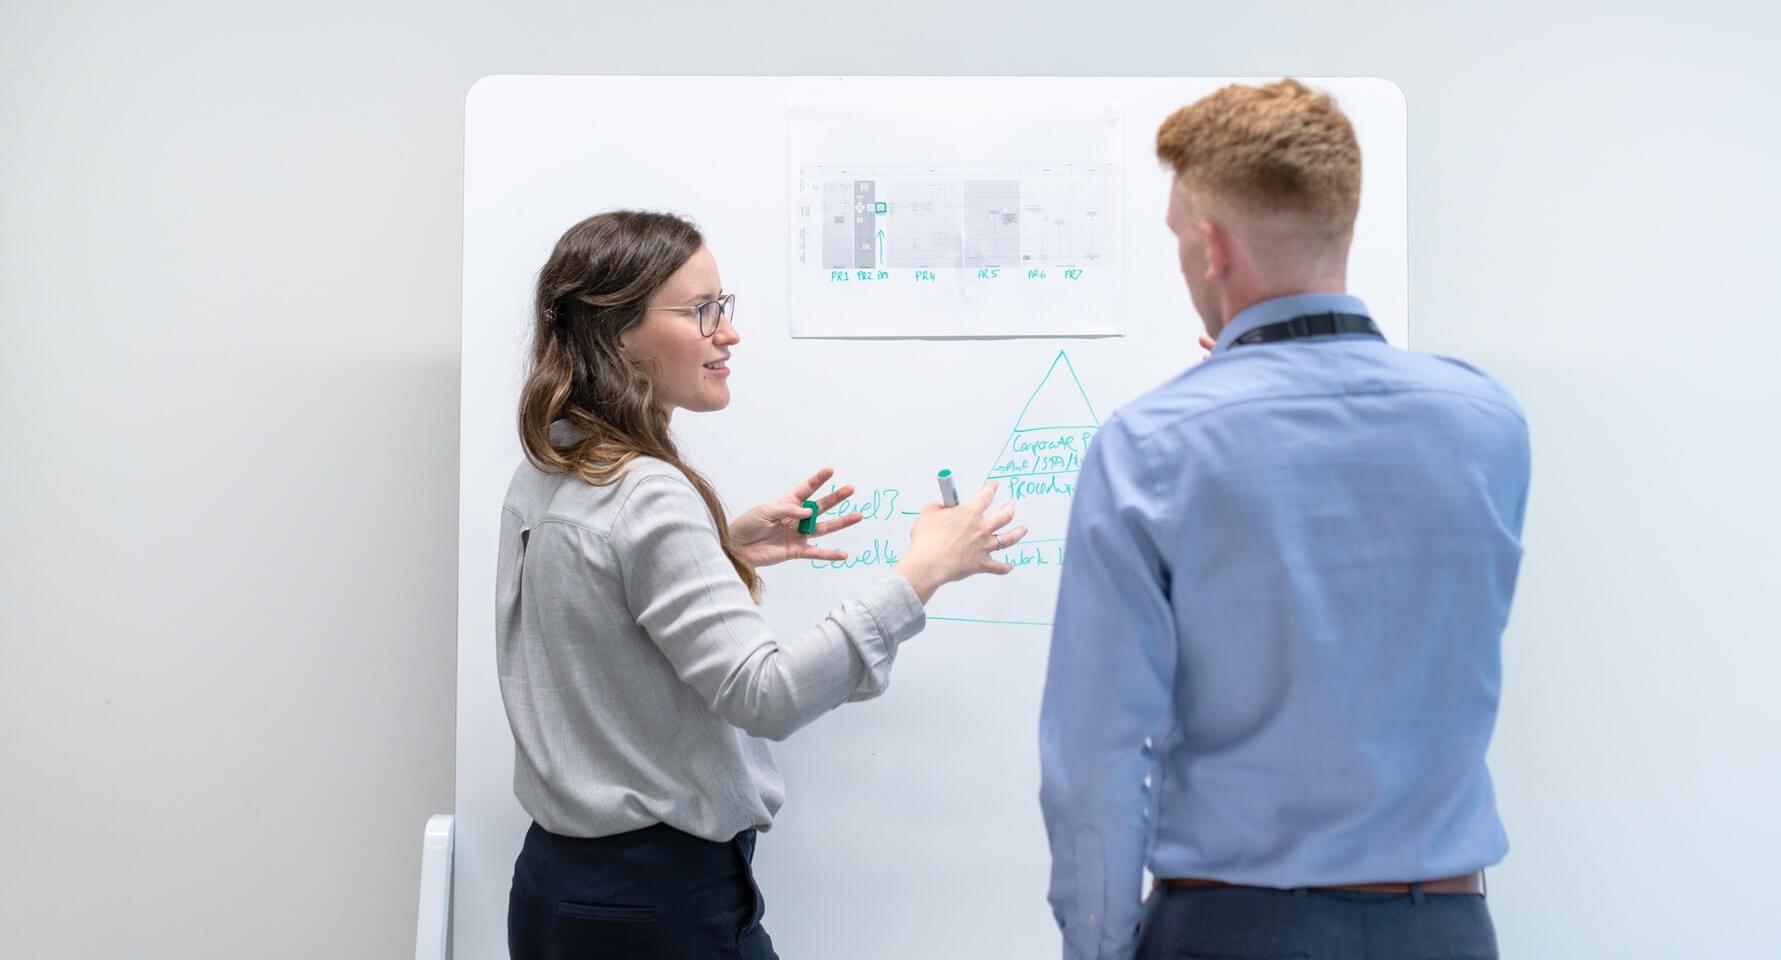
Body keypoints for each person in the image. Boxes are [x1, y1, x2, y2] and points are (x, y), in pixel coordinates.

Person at [1038, 80, 1530, 960]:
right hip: (1447, 930)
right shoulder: (1488, 425)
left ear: (1214, 248)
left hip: (1236, 930)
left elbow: (1098, 761)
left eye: (1179, 241)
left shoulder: (1151, 448)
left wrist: (1097, 948)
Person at [497, 210, 1027, 959]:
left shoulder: (556, 462)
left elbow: (592, 609)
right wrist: (922, 574)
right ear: (618, 335)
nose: (728, 332)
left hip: (560, 891)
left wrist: (720, 547)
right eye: (699, 311)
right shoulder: (647, 493)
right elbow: (766, 695)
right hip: (658, 907)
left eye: (724, 305)